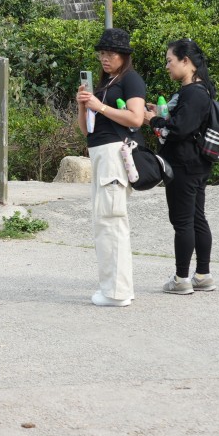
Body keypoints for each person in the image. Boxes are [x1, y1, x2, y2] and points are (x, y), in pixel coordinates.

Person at [76, 28, 146, 307]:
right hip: (100, 152)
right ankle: (115, 288)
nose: (105, 58)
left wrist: (99, 106)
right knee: (103, 219)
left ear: (124, 55)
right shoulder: (106, 82)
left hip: (115, 153)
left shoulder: (131, 80)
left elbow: (137, 118)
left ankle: (116, 292)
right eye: (102, 53)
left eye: (111, 53)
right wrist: (84, 104)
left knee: (111, 220)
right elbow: (85, 129)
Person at [143, 38, 216, 294]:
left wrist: (154, 120)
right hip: (197, 163)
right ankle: (203, 275)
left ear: (186, 62)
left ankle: (182, 279)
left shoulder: (193, 93)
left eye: (170, 61)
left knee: (183, 221)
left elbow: (179, 129)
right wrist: (160, 115)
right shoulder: (202, 89)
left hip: (184, 164)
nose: (167, 66)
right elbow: (185, 122)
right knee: (197, 218)